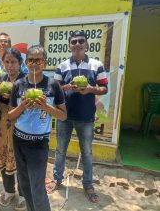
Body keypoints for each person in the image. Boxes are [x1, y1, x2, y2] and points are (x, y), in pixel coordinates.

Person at [49, 30, 108, 203]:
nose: (77, 44)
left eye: (81, 41)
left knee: (87, 153)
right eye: (74, 42)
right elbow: (55, 89)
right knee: (60, 150)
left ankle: (88, 184)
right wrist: (66, 87)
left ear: (86, 44)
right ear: (69, 45)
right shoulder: (62, 66)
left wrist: (90, 89)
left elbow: (104, 88)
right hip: (64, 116)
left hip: (86, 117)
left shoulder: (97, 65)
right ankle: (57, 179)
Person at [8, 45, 67, 211]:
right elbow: (11, 115)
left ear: (44, 63)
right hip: (19, 140)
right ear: (26, 62)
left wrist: (46, 106)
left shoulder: (53, 85)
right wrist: (23, 106)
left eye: (38, 60)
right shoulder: (19, 85)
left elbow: (63, 115)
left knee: (37, 186)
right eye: (31, 60)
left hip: (39, 143)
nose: (34, 64)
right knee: (24, 183)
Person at [0, 48, 26, 210]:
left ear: (20, 63)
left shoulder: (25, 80)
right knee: (4, 155)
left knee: (20, 159)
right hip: (2, 124)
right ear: (3, 63)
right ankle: (8, 191)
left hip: (20, 124)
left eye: (13, 62)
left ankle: (24, 194)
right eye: (7, 62)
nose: (10, 65)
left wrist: (13, 95)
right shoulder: (0, 78)